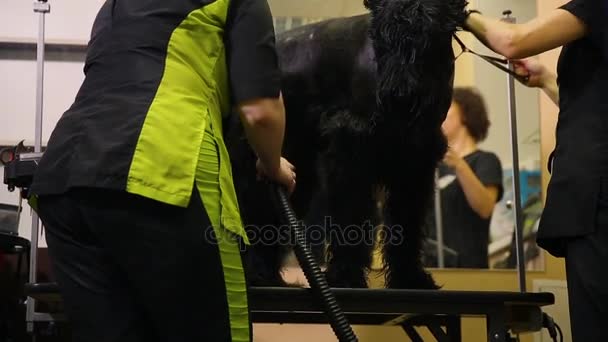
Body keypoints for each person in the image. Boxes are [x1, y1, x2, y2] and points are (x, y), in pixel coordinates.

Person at [28, 0, 295, 341]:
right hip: (162, 166)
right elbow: (261, 111)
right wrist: (272, 165)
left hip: (65, 179)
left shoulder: (114, 7)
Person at [464, 1, 608, 340]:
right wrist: (546, 81)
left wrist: (459, 12)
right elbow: (593, 109)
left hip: (597, 204)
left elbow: (514, 40)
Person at [428, 87, 503, 269]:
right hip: (431, 266)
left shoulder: (486, 161)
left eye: (446, 107)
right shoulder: (432, 166)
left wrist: (460, 165)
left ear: (465, 113)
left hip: (469, 268)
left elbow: (485, 208)